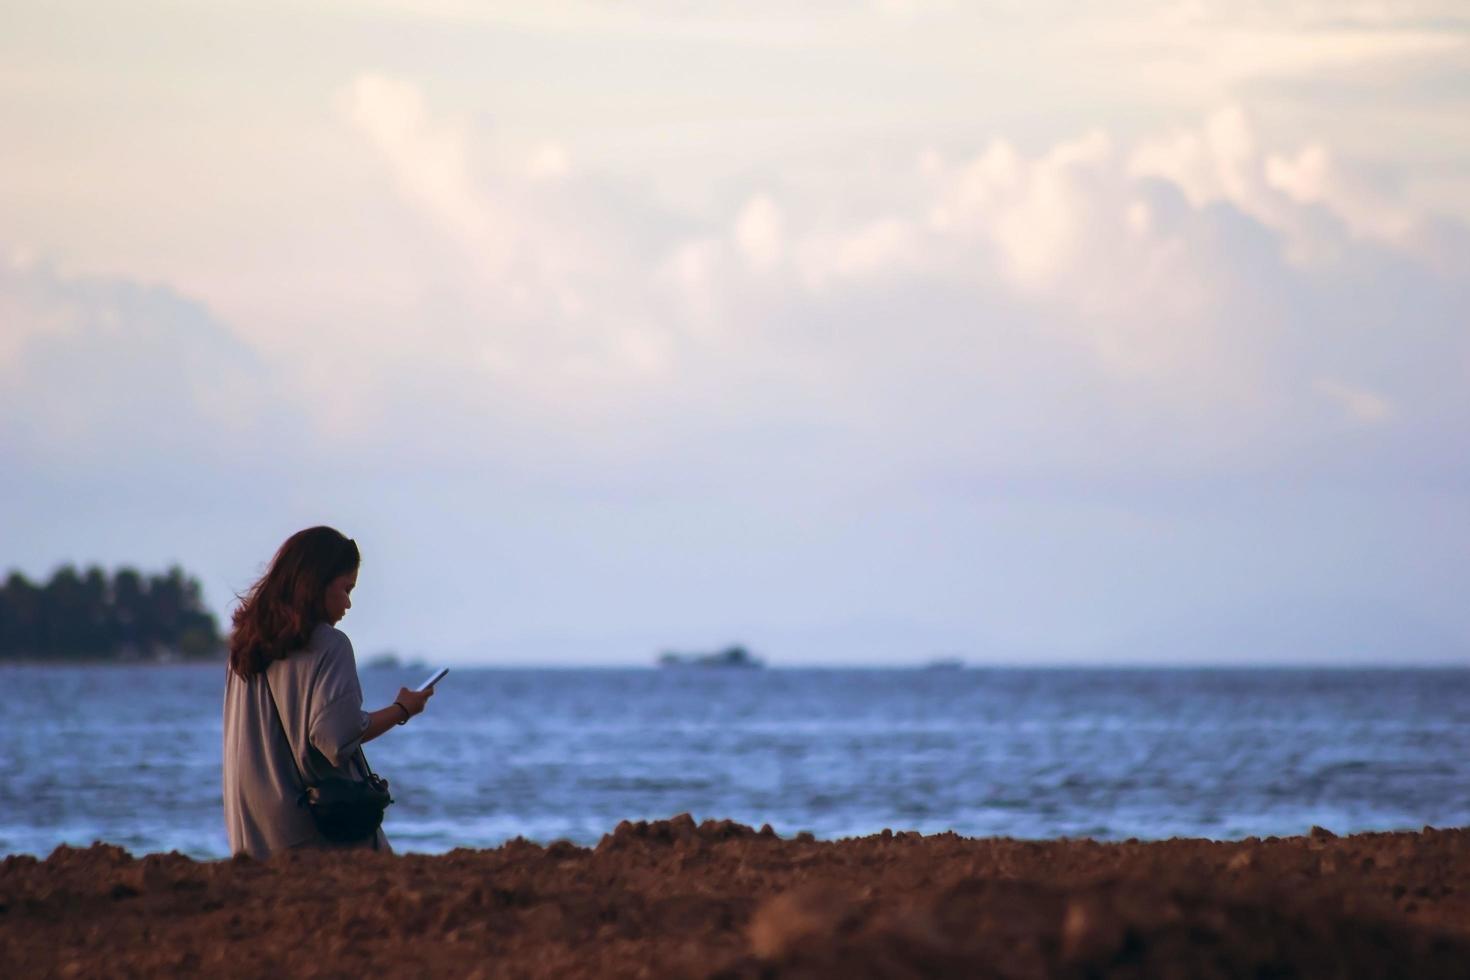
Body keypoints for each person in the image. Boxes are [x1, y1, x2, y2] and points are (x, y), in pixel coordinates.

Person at [222, 526, 433, 859]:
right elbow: (334, 739)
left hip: (252, 831)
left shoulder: (246, 645)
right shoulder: (330, 646)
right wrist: (402, 709)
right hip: (309, 832)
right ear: (316, 583)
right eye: (346, 588)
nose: (348, 603)